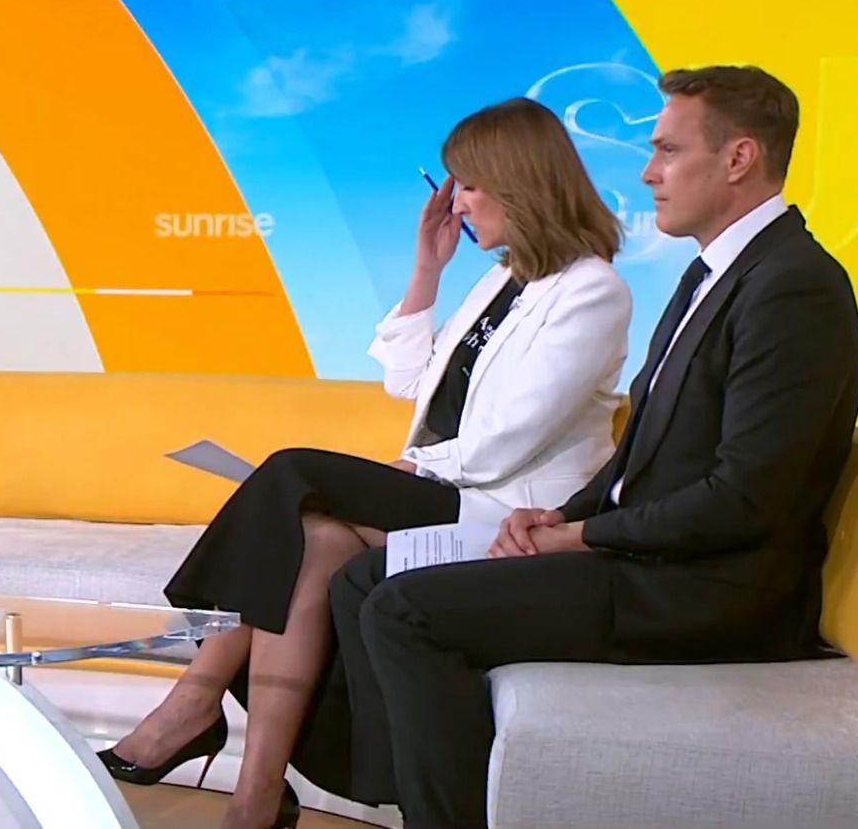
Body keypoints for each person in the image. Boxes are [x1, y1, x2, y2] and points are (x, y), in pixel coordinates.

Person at [322, 65, 858, 828]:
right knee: (364, 578)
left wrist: (580, 536)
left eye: (667, 150)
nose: (646, 172)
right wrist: (559, 515)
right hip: (651, 559)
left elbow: (744, 498)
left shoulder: (792, 285)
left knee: (404, 609)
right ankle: (414, 803)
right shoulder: (714, 274)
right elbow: (639, 455)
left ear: (738, 158)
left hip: (709, 589)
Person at [97, 96, 632, 829]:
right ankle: (256, 795)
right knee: (313, 539)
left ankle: (193, 701)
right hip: (449, 487)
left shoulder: (593, 290)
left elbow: (509, 438)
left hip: (504, 515)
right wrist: (426, 270)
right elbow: (406, 382)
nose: (457, 203)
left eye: (470, 185)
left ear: (519, 184)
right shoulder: (503, 281)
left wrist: (412, 470)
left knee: (289, 473)